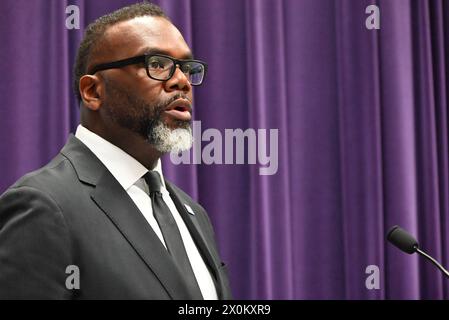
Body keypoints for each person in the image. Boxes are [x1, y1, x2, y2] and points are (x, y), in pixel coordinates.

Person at [0, 1, 232, 300]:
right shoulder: (44, 205)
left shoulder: (193, 213)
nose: (182, 81)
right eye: (158, 64)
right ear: (93, 92)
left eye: (188, 68)